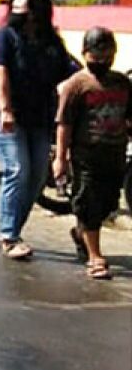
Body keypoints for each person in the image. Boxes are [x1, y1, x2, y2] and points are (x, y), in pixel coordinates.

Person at [0, 0, 76, 260]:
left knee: (37, 179)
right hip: (8, 118)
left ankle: (14, 228)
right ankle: (8, 235)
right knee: (17, 170)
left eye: (24, 10)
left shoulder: (50, 42)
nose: (19, 15)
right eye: (15, 9)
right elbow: (0, 73)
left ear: (38, 12)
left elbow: (71, 71)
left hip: (40, 118)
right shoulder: (4, 37)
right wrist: (6, 110)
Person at [52, 27, 132, 280]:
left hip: (116, 152)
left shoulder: (122, 83)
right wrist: (61, 158)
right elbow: (64, 123)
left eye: (107, 56)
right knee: (88, 202)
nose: (102, 61)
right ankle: (96, 257)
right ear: (85, 54)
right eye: (97, 56)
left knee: (108, 203)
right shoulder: (76, 85)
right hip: (86, 154)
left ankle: (81, 234)